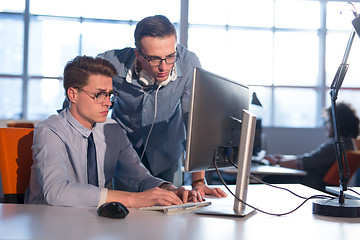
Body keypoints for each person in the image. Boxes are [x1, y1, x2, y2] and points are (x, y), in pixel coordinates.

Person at [25, 56, 203, 207]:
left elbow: (139, 177)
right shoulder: (49, 130)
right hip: (49, 224)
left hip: (92, 223)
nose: (108, 103)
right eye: (99, 94)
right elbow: (56, 192)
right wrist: (133, 199)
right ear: (73, 95)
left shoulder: (111, 129)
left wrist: (169, 190)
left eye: (110, 94)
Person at [98, 15, 226, 198]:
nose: (163, 67)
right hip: (124, 155)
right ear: (138, 55)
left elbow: (195, 121)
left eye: (170, 56)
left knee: (172, 211)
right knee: (126, 214)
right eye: (154, 59)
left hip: (167, 152)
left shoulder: (188, 64)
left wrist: (198, 181)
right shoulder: (111, 64)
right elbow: (83, 105)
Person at [264, 102, 360, 191]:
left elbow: (304, 162)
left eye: (327, 122)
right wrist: (284, 158)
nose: (325, 126)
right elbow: (311, 159)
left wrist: (277, 162)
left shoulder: (335, 146)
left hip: (312, 186)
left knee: (267, 179)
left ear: (338, 123)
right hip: (320, 186)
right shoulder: (348, 144)